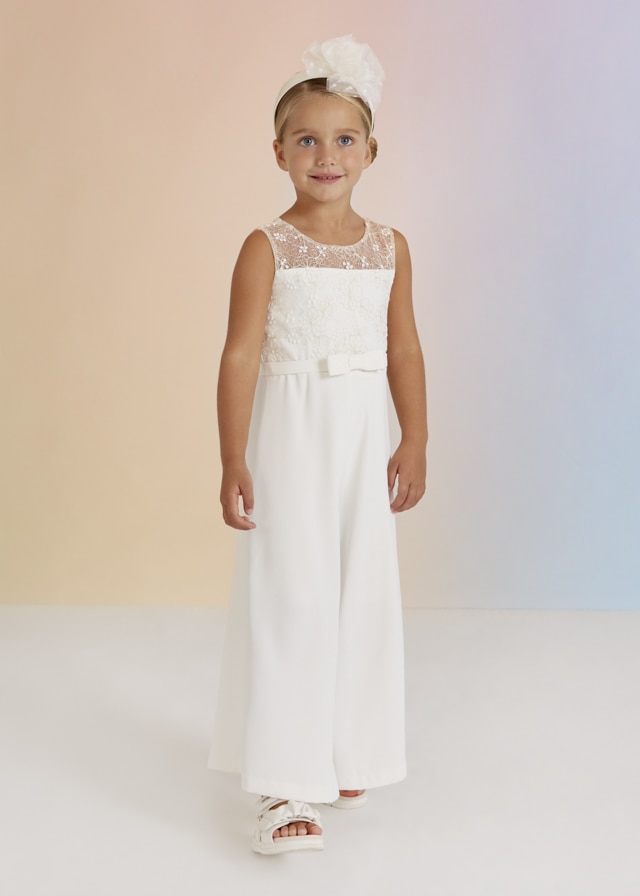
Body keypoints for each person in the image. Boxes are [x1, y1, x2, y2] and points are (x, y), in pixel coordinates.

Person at [208, 35, 427, 855]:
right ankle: (283, 782)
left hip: (362, 440)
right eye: (306, 139)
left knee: (359, 588)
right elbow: (239, 354)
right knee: (293, 592)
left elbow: (404, 349)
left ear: (371, 151)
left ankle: (346, 748)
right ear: (278, 153)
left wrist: (416, 435)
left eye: (343, 139)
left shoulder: (389, 247)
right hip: (292, 438)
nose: (325, 156)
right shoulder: (266, 247)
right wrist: (233, 457)